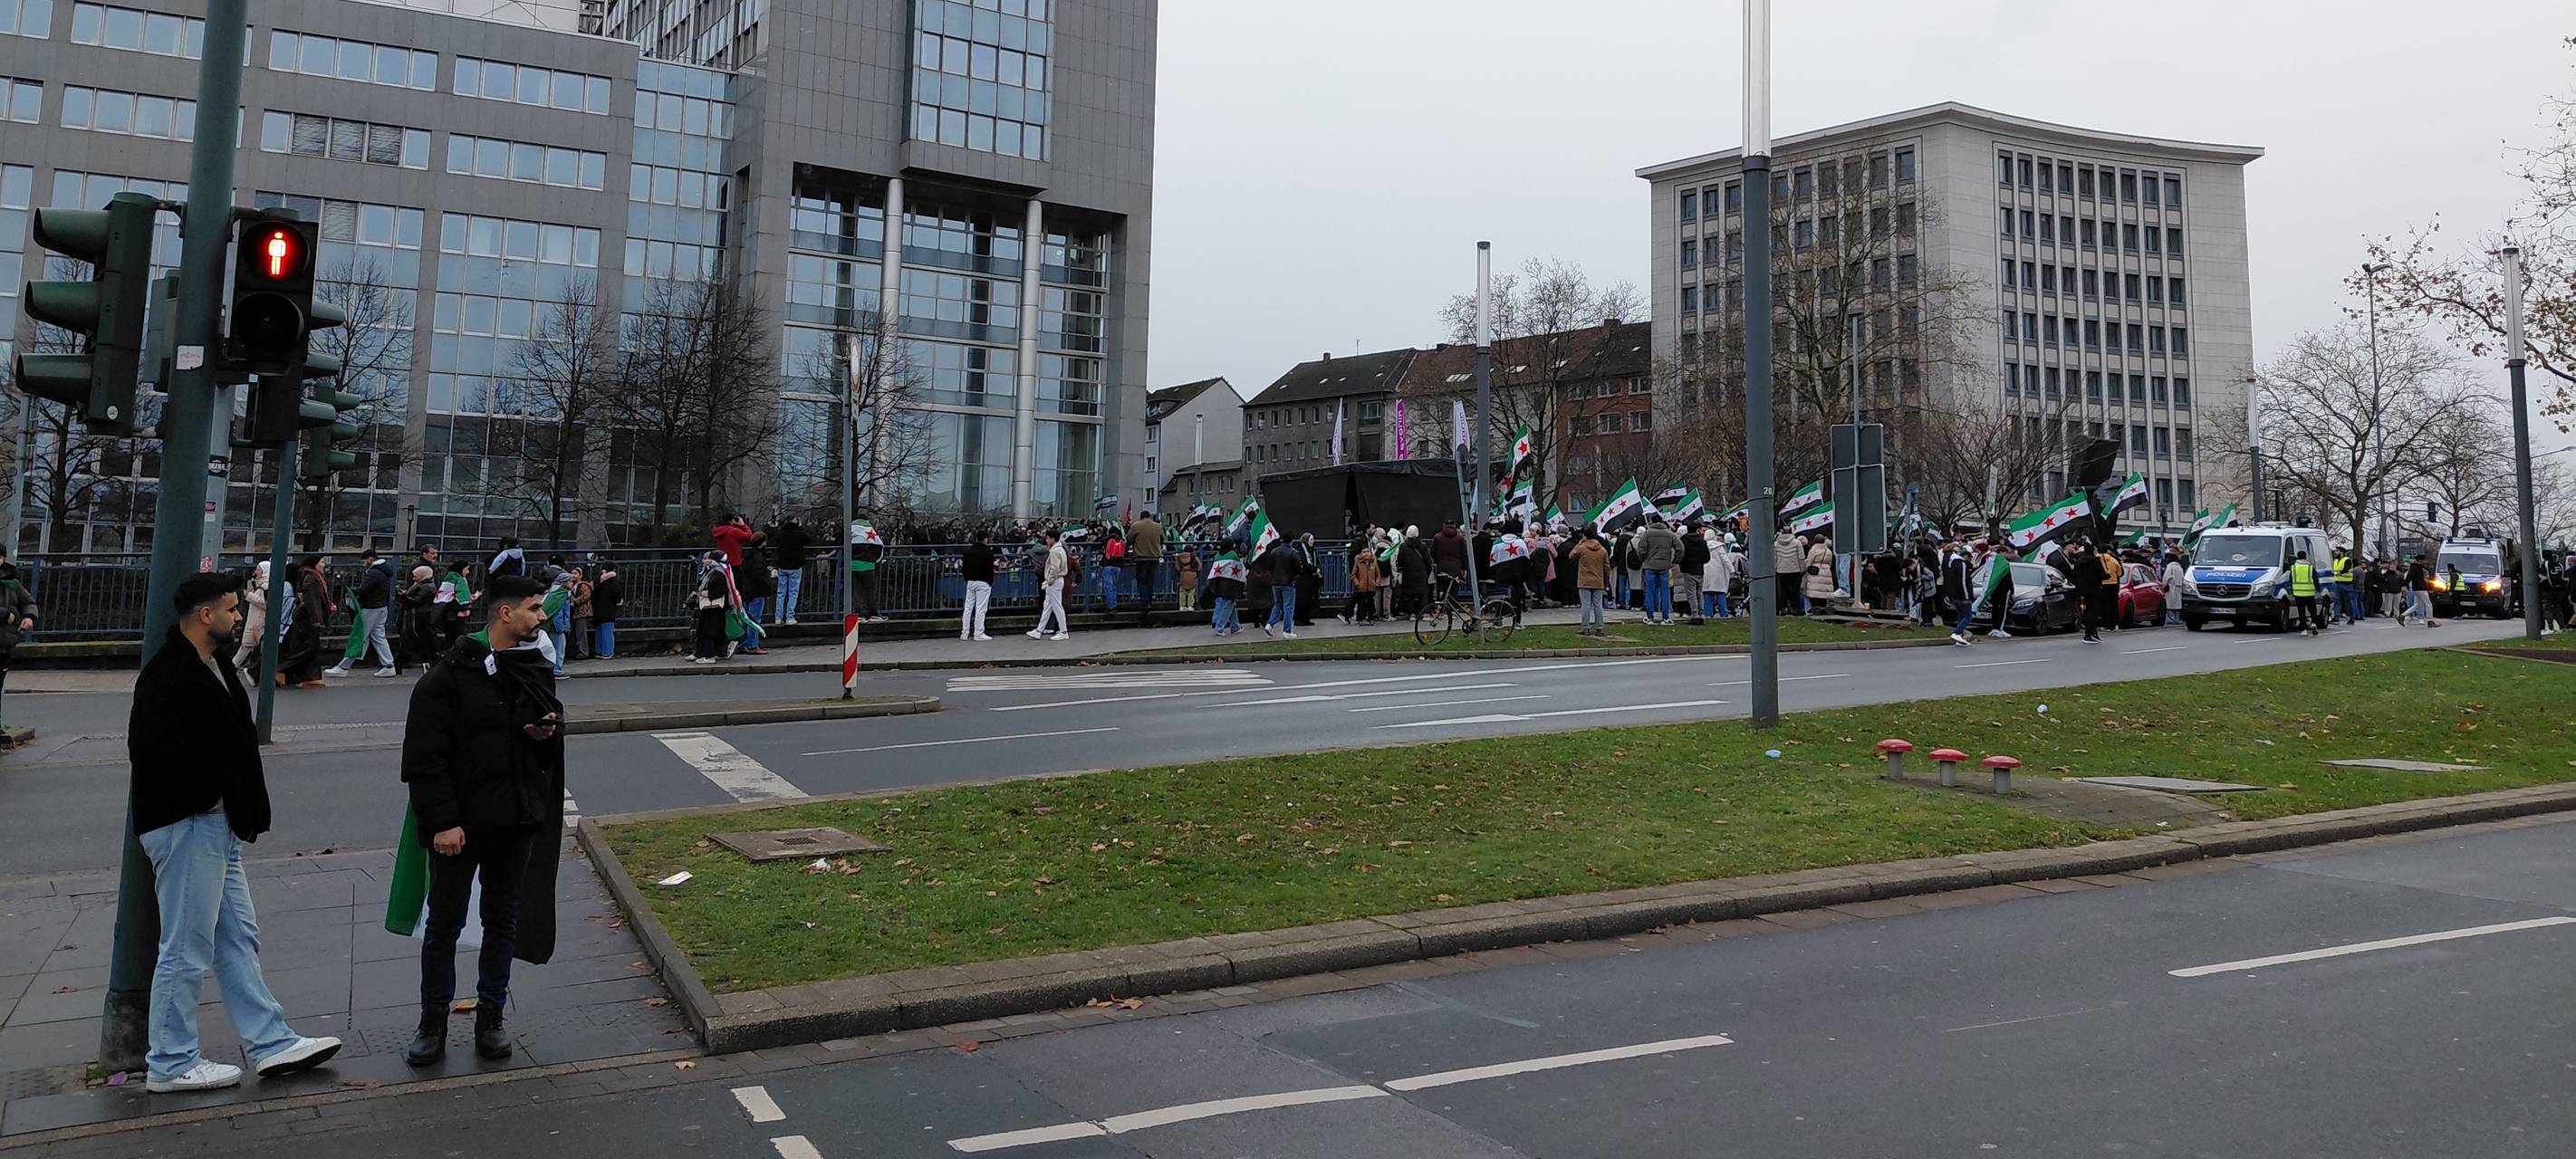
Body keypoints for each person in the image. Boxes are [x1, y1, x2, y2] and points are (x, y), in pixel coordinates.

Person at [130, 573, 341, 1092]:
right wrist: (211, 797)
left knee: (235, 938)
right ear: (206, 616)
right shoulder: (169, 673)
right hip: (188, 825)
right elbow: (154, 752)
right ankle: (171, 1062)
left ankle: (270, 1042)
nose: (238, 617)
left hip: (211, 826)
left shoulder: (213, 663)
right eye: (230, 609)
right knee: (186, 947)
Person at [400, 573, 564, 1068]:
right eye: (535, 609)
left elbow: (549, 745)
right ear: (505, 613)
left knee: (502, 920)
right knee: (444, 925)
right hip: (462, 826)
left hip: (514, 819)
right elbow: (425, 760)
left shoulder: (534, 667)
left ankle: (491, 1017)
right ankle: (432, 1022)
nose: (542, 617)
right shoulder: (447, 677)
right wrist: (443, 823)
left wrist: (544, 734)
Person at [328, 549, 399, 677]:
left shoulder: (374, 573)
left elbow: (363, 590)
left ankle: (343, 667)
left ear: (371, 559)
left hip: (370, 609)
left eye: (365, 561)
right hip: (381, 608)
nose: (364, 563)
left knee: (360, 636)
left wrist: (350, 590)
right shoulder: (384, 572)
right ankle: (388, 665)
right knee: (378, 637)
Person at [282, 557, 330, 687]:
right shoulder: (313, 578)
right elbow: (312, 601)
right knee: (307, 649)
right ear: (314, 564)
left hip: (304, 618)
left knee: (308, 649)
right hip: (307, 619)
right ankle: (279, 670)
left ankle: (308, 676)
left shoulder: (307, 575)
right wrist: (317, 620)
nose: (324, 565)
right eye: (322, 562)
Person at [1634, 515, 1681, 626]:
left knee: (1650, 591)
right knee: (1665, 591)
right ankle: (1665, 617)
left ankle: (1650, 617)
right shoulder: (1670, 534)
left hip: (1650, 565)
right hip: (1664, 566)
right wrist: (1674, 561)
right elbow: (1680, 548)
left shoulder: (1647, 533)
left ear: (1652, 522)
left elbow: (1641, 549)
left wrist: (1643, 559)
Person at [1028, 530, 1071, 640]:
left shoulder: (1054, 551)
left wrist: (1049, 580)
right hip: (1058, 580)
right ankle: (1039, 630)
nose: (1046, 541)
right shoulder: (1060, 549)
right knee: (1048, 606)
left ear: (1052, 539)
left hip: (1055, 581)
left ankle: (1063, 631)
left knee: (1056, 606)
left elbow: (1054, 568)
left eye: (1047, 538)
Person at [768, 518, 812, 625]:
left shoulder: (781, 534)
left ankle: (778, 617)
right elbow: (809, 539)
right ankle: (790, 617)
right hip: (796, 566)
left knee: (781, 593)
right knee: (793, 592)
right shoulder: (800, 534)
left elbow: (774, 542)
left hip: (782, 565)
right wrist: (801, 527)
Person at [691, 552, 733, 663]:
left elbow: (720, 590)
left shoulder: (719, 574)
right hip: (710, 607)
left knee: (708, 631)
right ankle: (719, 652)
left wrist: (706, 594)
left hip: (714, 607)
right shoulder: (710, 572)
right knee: (715, 630)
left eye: (707, 559)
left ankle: (709, 655)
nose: (704, 561)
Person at [1570, 527, 1611, 637]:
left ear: (1585, 536)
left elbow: (1571, 555)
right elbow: (1607, 567)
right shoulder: (1602, 550)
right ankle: (1599, 628)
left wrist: (1579, 544)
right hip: (1598, 580)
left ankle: (1585, 627)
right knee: (1598, 605)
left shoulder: (1582, 548)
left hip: (1584, 580)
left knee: (1586, 605)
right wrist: (1606, 579)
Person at [1261, 533, 1303, 638]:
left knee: (1277, 604)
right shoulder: (1294, 552)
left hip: (1275, 582)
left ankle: (1270, 624)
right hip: (1288, 582)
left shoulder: (1274, 551)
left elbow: (1269, 566)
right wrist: (1295, 576)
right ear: (1292, 541)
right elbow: (1298, 568)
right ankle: (1287, 630)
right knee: (1288, 607)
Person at [735, 542, 773, 656]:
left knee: (745, 618)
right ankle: (753, 645)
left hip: (746, 590)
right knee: (755, 619)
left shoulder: (747, 556)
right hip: (757, 591)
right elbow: (758, 574)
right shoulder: (759, 557)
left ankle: (742, 643)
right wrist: (768, 582)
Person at [1126, 512, 1163, 627]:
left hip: (1141, 557)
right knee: (1151, 580)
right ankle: (1150, 601)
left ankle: (1144, 602)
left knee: (1141, 580)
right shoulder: (1157, 526)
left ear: (1141, 517)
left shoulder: (1136, 526)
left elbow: (1129, 539)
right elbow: (1163, 539)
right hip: (1154, 557)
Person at [231, 560, 267, 676]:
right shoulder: (258, 583)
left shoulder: (266, 586)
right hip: (255, 620)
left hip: (258, 621)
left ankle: (233, 667)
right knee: (249, 646)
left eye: (258, 570)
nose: (256, 572)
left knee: (247, 645)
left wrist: (250, 596)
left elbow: (265, 604)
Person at [2067, 539, 2106, 643]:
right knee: (2094, 612)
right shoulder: (2095, 562)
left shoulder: (2079, 562)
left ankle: (2092, 633)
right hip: (2094, 590)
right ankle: (2089, 634)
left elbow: (2074, 576)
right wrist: (2107, 574)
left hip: (2082, 591)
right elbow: (2102, 575)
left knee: (2087, 611)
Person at [959, 532, 996, 641]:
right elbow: (990, 569)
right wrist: (990, 581)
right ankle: (978, 633)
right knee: (981, 608)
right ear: (985, 539)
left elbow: (964, 568)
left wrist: (967, 579)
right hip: (983, 582)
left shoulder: (968, 552)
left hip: (970, 581)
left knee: (968, 607)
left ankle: (965, 632)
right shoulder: (988, 552)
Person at [1677, 522, 1709, 625]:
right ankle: (1701, 613)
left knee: (1691, 594)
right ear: (1697, 530)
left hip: (1688, 569)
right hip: (1699, 569)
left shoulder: (1684, 540)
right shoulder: (1702, 541)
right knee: (1699, 593)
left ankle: (1694, 614)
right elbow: (1707, 557)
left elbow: (1681, 554)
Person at [590, 563, 622, 659]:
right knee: (608, 631)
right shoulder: (613, 580)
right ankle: (607, 652)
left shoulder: (597, 580)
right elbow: (616, 594)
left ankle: (599, 651)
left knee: (599, 631)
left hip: (597, 609)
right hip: (608, 609)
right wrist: (619, 601)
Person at [2288, 549, 2323, 636]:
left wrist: (2292, 590)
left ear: (2298, 557)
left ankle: (2304, 629)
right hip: (2309, 593)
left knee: (2301, 612)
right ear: (2305, 557)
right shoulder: (2310, 567)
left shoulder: (2293, 567)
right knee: (2312, 610)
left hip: (2298, 593)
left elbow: (2291, 580)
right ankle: (2314, 623)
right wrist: (2318, 589)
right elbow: (2315, 579)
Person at [1800, 535, 1837, 615]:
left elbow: (1809, 562)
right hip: (1826, 573)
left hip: (1815, 574)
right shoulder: (1828, 551)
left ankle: (1815, 612)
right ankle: (1823, 612)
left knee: (1814, 594)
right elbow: (1830, 564)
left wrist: (1803, 569)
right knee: (1823, 596)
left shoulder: (1814, 549)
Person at [1349, 540, 1383, 623]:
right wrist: (1357, 583)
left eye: (1368, 551)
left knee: (1371, 604)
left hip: (1371, 586)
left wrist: (1377, 583)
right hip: (1362, 587)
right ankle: (1360, 618)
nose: (1366, 553)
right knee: (1362, 604)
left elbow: (1378, 574)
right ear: (1361, 553)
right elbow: (1354, 574)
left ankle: (1371, 618)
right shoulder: (1358, 562)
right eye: (1364, 552)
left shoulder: (1373, 562)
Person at [1774, 530, 1805, 615]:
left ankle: (1783, 608)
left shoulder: (1776, 544)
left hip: (1781, 570)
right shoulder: (1797, 543)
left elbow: (1774, 558)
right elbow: (1801, 557)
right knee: (1795, 590)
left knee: (1783, 590)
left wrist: (1776, 568)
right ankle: (1796, 608)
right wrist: (1802, 569)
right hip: (1795, 570)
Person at [2403, 552, 2437, 627]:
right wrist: (2405, 585)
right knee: (2428, 604)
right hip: (2421, 588)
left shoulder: (2417, 567)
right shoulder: (2416, 568)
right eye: (2424, 560)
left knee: (2417, 605)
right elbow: (2410, 576)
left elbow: (2409, 576)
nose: (2425, 562)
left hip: (2417, 588)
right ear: (2420, 560)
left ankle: (2402, 616)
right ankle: (2430, 621)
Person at [568, 568, 595, 662]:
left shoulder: (583, 585)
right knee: (575, 633)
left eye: (575, 573)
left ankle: (583, 652)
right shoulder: (572, 585)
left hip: (582, 612)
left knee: (581, 633)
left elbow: (586, 596)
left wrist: (575, 602)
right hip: (575, 612)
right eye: (571, 573)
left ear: (580, 575)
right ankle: (576, 651)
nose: (573, 575)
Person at [2331, 547, 2361, 624]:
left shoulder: (2347, 560)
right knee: (2337, 601)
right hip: (2337, 583)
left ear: (2342, 552)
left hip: (2346, 585)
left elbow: (2346, 569)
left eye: (2337, 551)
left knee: (2348, 602)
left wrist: (2339, 573)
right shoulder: (2336, 561)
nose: (2335, 552)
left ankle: (2352, 618)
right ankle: (2336, 618)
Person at [2162, 550, 2187, 627]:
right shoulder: (2179, 568)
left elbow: (2166, 577)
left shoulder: (2170, 567)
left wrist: (2164, 584)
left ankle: (2170, 619)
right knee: (2177, 604)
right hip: (2179, 587)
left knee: (2170, 604)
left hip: (2171, 587)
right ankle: (2177, 619)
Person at [1174, 544, 1201, 613]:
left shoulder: (1179, 557)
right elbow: (1200, 567)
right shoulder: (1194, 557)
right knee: (1191, 592)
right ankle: (1190, 606)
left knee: (1182, 591)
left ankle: (1182, 606)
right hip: (1193, 575)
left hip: (1183, 574)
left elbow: (1177, 568)